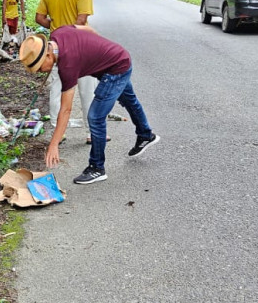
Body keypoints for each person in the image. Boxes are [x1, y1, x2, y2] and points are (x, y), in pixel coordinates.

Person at [18, 25, 159, 185]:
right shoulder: (58, 33)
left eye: (39, 68)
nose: (40, 72)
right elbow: (86, 29)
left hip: (115, 70)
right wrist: (101, 47)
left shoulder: (68, 65)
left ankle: (97, 168)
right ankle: (145, 135)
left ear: (48, 55)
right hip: (120, 56)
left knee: (95, 117)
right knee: (129, 100)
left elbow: (66, 110)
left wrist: (53, 144)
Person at [35, 0, 99, 144]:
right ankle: (91, 133)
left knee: (57, 88)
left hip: (57, 48)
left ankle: (58, 131)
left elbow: (39, 18)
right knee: (87, 90)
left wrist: (57, 28)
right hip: (81, 47)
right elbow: (81, 19)